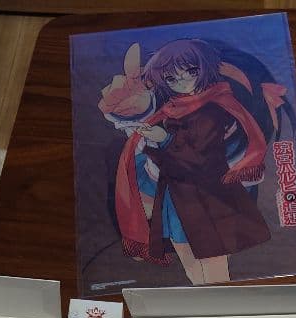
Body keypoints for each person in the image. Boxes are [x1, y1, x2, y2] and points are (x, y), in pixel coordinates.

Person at [100, 39, 286, 285]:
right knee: (187, 255)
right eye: (171, 78)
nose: (182, 81)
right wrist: (152, 142)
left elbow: (201, 157)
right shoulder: (174, 108)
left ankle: (217, 304)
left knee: (213, 262)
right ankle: (200, 299)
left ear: (204, 68)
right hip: (177, 196)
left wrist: (163, 139)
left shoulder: (214, 107)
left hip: (207, 198)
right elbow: (171, 157)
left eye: (190, 71)